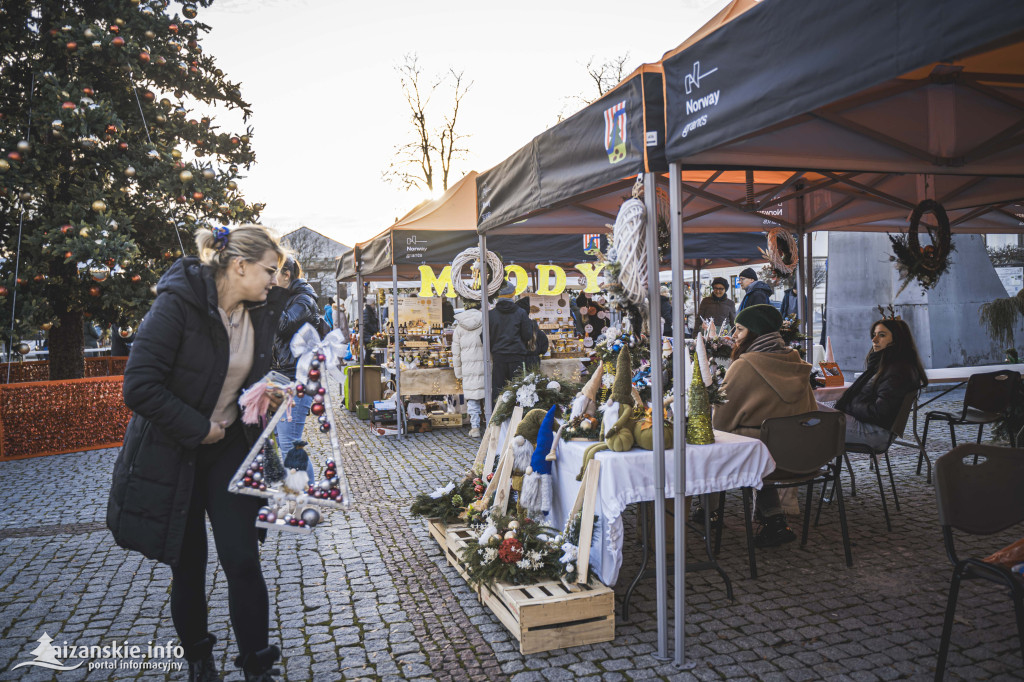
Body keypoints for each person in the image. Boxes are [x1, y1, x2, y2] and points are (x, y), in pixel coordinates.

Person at [107, 224, 286, 681]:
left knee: (243, 559)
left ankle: (255, 664)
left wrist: (266, 392)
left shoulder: (260, 311)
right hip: (173, 452)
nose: (274, 280)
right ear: (239, 265)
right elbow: (139, 386)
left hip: (228, 448)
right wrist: (198, 427)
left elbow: (241, 375)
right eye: (269, 270)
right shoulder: (177, 304)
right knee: (189, 566)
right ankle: (199, 661)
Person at [712, 304, 818, 547]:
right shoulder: (796, 360)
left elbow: (720, 422)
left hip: (765, 458)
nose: (734, 335)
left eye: (739, 329)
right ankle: (774, 519)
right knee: (759, 443)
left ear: (755, 331)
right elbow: (812, 411)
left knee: (717, 440)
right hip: (806, 452)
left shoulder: (745, 365)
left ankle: (708, 510)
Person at [833, 318, 928, 451]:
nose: (874, 340)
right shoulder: (883, 365)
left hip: (875, 433)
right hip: (865, 424)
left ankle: (806, 468)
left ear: (897, 339)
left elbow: (879, 413)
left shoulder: (898, 371)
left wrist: (851, 403)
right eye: (874, 335)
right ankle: (810, 467)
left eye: (882, 335)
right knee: (810, 413)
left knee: (811, 422)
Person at [272, 256, 319, 483]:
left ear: (286, 274)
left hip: (297, 378)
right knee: (286, 442)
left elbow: (282, 325)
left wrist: (269, 297)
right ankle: (308, 492)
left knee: (289, 443)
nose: (267, 280)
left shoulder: (304, 300)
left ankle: (306, 499)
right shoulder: (287, 298)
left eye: (272, 273)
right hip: (281, 377)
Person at [488, 284, 533, 403]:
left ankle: (497, 419)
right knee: (518, 391)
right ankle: (516, 419)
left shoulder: (490, 315)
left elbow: (485, 338)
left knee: (499, 392)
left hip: (498, 357)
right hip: (517, 356)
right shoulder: (521, 313)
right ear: (513, 295)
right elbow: (527, 335)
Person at [452, 301, 485, 437]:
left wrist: (458, 373)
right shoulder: (486, 322)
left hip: (468, 368)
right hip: (485, 365)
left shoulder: (459, 328)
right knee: (488, 398)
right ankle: (490, 426)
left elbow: (456, 353)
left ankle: (475, 427)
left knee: (472, 399)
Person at [516, 296, 549, 371]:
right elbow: (544, 348)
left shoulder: (517, 327)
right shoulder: (535, 329)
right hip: (534, 361)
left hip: (520, 361)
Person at [361, 299, 379, 365]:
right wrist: (374, 329)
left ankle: (367, 364)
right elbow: (367, 323)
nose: (374, 305)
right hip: (367, 334)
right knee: (368, 351)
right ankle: (367, 364)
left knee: (369, 351)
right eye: (373, 304)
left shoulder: (369, 311)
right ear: (371, 304)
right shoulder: (367, 311)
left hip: (368, 333)